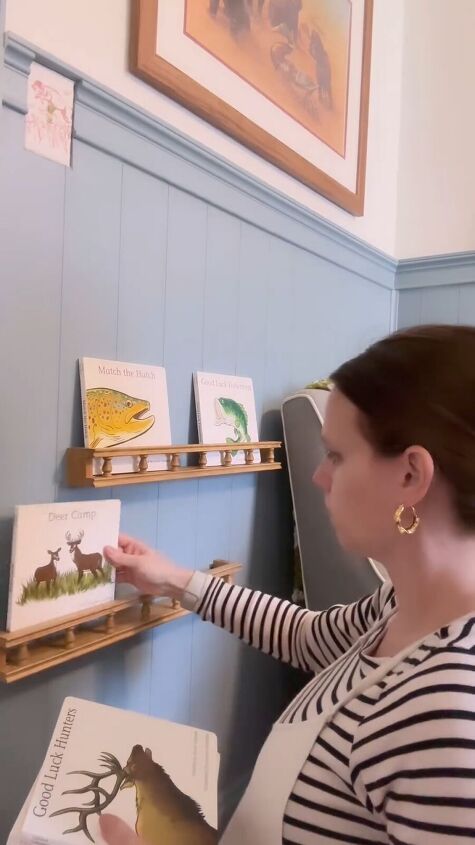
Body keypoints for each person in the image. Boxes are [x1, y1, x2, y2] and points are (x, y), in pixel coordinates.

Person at [100, 324, 475, 844]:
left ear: (410, 476)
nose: (321, 477)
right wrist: (174, 579)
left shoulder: (448, 712)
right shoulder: (400, 607)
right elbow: (305, 635)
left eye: (337, 455)